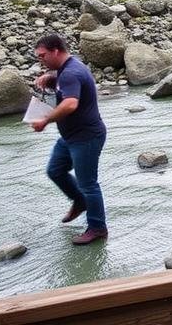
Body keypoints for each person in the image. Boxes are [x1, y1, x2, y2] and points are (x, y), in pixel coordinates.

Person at [31, 33, 108, 245]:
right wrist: (52, 78)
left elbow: (71, 104)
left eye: (43, 56)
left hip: (86, 137)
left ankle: (98, 228)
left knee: (88, 184)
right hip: (71, 137)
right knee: (55, 170)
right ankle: (80, 201)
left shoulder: (70, 73)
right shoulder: (69, 68)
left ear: (56, 51)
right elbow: (71, 84)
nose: (41, 60)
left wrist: (45, 120)